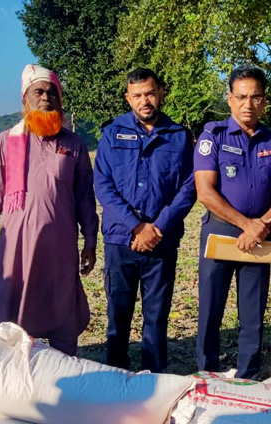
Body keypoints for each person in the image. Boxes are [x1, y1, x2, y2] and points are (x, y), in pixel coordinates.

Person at [0, 64, 98, 355]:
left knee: (61, 310)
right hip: (16, 249)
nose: (46, 97)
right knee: (13, 316)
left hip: (59, 248)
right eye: (38, 91)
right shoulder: (6, 142)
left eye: (53, 92)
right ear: (25, 99)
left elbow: (85, 199)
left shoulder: (73, 144)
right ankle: (14, 374)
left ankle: (63, 371)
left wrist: (90, 242)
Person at [194, 66, 271, 379]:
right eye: (241, 97)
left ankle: (248, 377)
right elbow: (205, 191)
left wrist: (260, 225)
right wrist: (245, 225)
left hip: (260, 236)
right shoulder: (214, 136)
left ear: (264, 100)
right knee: (211, 311)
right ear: (229, 99)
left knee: (253, 314)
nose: (248, 103)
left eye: (255, 97)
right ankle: (207, 374)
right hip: (222, 232)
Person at [93, 68, 195, 372]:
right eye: (137, 95)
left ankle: (154, 380)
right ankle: (116, 377)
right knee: (118, 316)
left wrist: (158, 227)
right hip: (120, 239)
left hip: (162, 241)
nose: (145, 100)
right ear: (128, 98)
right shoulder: (112, 133)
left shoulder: (179, 137)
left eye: (150, 93)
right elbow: (103, 185)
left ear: (161, 92)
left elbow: (189, 188)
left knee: (157, 317)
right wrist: (136, 226)